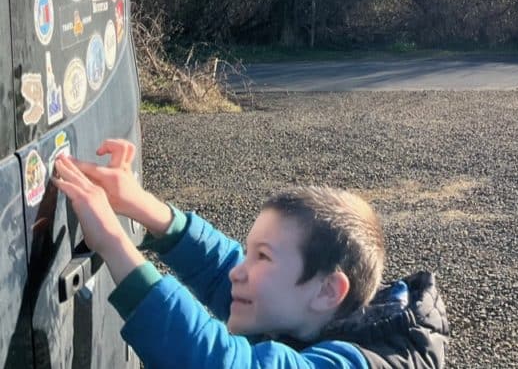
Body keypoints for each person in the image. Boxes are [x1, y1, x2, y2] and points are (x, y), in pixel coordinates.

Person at [52, 139, 449, 369]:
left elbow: (221, 364)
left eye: (264, 257)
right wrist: (146, 209)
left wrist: (114, 244)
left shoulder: (351, 363)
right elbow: (221, 267)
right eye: (250, 252)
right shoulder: (315, 313)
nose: (240, 271)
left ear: (328, 291)